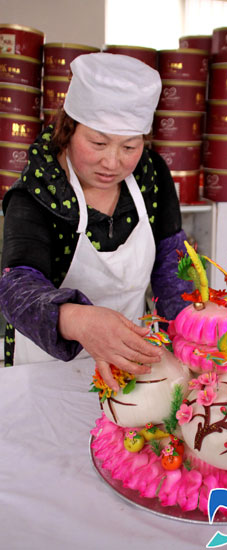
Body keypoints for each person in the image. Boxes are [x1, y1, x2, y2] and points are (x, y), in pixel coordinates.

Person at [0, 53, 192, 390]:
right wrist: (78, 319)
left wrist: (190, 334)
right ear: (69, 130)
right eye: (98, 143)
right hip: (50, 367)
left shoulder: (151, 176)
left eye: (129, 146)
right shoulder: (37, 191)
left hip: (132, 361)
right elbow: (16, 289)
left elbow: (170, 263)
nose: (112, 162)